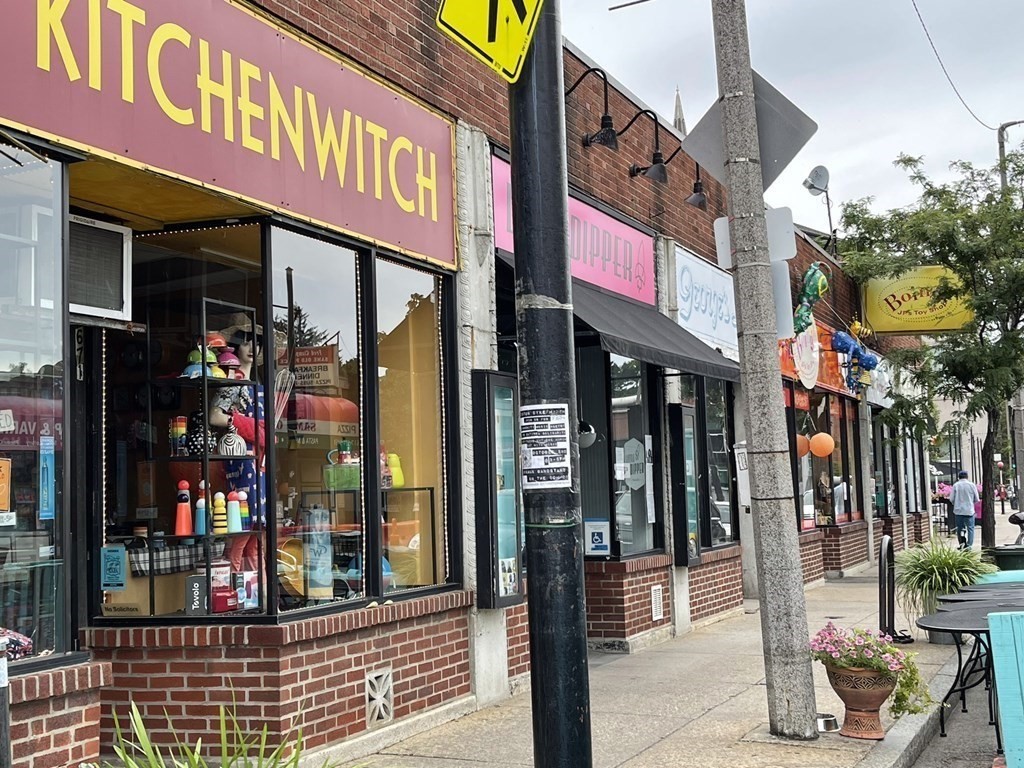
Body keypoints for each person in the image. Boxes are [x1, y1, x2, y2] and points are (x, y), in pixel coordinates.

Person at [950, 470, 980, 550]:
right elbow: (977, 499)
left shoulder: (956, 485)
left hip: (958, 511)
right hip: (969, 510)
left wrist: (956, 503)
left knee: (960, 528)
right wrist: (971, 502)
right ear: (967, 477)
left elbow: (951, 498)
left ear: (959, 477)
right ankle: (969, 545)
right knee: (970, 528)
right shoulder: (972, 485)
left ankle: (961, 544)